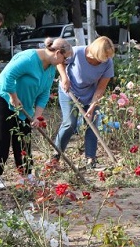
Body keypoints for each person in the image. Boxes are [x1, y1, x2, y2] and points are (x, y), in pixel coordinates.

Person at [0, 37, 72, 189]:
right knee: (1, 138)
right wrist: (13, 97)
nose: (64, 63)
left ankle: (26, 175)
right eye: (65, 59)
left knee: (24, 139)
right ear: (58, 53)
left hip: (23, 105)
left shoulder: (50, 68)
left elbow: (44, 93)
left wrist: (37, 116)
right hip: (2, 98)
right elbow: (7, 77)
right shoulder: (29, 58)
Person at [48, 36, 115, 170]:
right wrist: (64, 78)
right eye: (105, 56)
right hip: (69, 91)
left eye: (108, 56)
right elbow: (60, 62)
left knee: (92, 123)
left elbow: (101, 88)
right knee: (70, 123)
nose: (107, 59)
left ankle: (91, 160)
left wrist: (92, 106)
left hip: (91, 94)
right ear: (97, 52)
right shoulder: (77, 52)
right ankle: (55, 157)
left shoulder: (108, 63)